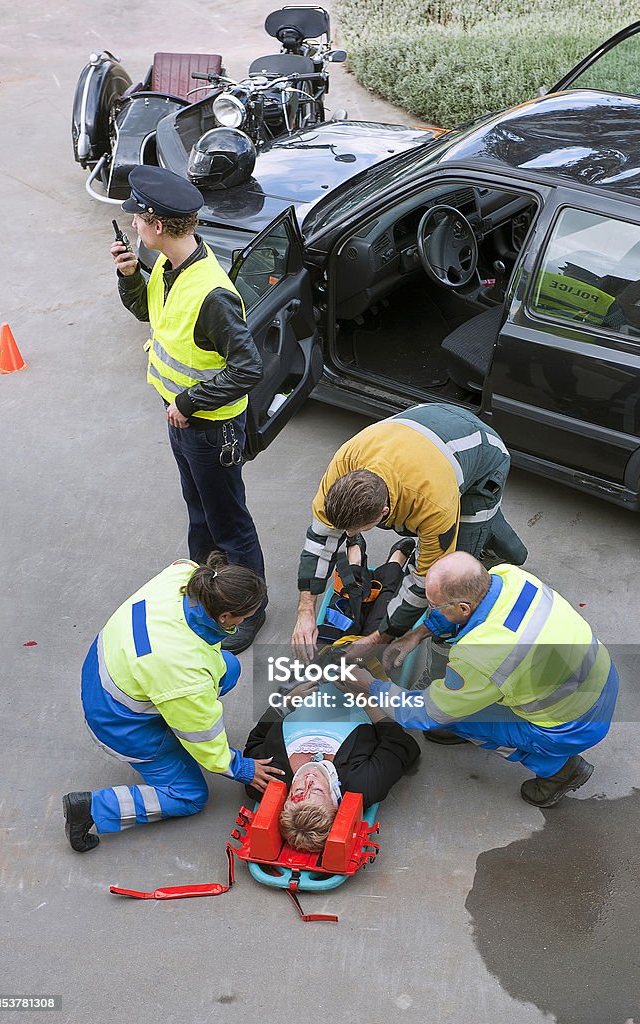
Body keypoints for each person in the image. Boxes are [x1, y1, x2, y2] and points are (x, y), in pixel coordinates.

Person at [111, 165, 266, 653]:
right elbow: (148, 314)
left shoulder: (212, 294)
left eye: (138, 217)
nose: (133, 224)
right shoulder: (165, 265)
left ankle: (248, 610)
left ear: (157, 224)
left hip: (208, 428)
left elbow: (249, 368)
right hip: (182, 422)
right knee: (200, 512)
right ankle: (205, 589)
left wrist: (188, 401)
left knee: (230, 522)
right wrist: (131, 276)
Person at [342, 552, 619, 808]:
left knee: (451, 716)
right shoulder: (509, 576)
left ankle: (560, 771)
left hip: (573, 725)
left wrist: (369, 686)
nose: (431, 609)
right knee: (479, 690)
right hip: (601, 678)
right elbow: (468, 612)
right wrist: (417, 634)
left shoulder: (481, 654)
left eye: (434, 606)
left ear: (463, 606)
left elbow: (427, 712)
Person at [62, 554, 283, 853]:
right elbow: (204, 740)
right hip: (118, 722)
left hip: (108, 667)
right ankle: (91, 809)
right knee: (189, 796)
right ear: (225, 617)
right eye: (244, 617)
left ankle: (174, 710)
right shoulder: (183, 670)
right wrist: (239, 767)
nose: (246, 622)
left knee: (227, 667)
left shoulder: (186, 576)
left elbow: (183, 563)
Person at [293, 403, 527, 660]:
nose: (347, 535)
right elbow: (320, 540)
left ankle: (507, 550)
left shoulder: (433, 504)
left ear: (383, 513)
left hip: (483, 453)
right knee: (473, 532)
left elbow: (423, 580)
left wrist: (379, 638)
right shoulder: (342, 467)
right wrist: (305, 609)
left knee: (457, 566)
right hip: (429, 425)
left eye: (356, 530)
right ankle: (501, 540)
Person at [243, 678, 420, 852]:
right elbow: (402, 744)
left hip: (302, 680)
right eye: (318, 791)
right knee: (355, 650)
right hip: (358, 684)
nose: (309, 779)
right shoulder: (361, 784)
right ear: (335, 804)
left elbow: (256, 739)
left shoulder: (264, 778)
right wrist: (367, 702)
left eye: (298, 791)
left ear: (286, 800)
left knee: (309, 651)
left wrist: (284, 703)